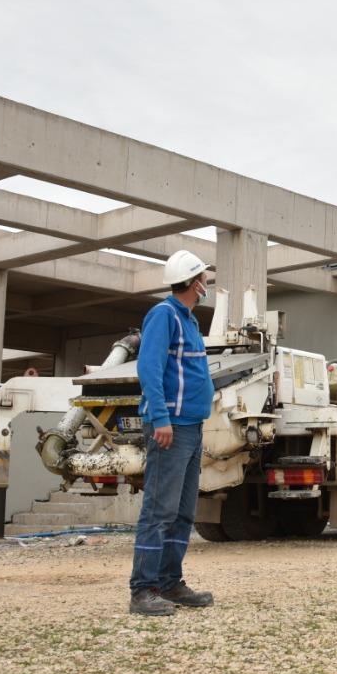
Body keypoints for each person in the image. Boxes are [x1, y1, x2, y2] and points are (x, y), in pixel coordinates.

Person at [128, 249, 218, 616]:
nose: (207, 281)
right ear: (195, 283)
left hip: (191, 427)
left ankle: (169, 582)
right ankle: (142, 589)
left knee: (182, 512)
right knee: (159, 511)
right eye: (204, 277)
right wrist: (161, 418)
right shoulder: (163, 316)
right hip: (171, 428)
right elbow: (149, 369)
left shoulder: (189, 321)